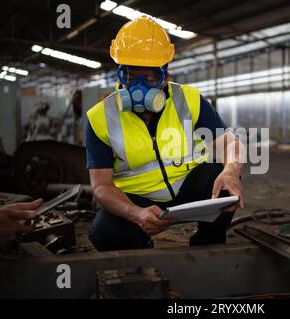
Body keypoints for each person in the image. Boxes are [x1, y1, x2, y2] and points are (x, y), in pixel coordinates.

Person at [85, 16, 245, 252]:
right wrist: (135, 213)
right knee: (105, 233)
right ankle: (141, 241)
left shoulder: (188, 99)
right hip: (139, 199)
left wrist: (231, 171)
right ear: (119, 74)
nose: (139, 88)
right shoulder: (100, 117)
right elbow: (100, 186)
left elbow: (229, 142)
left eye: (150, 78)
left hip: (188, 191)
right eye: (129, 77)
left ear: (165, 74)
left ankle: (207, 245)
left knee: (221, 181)